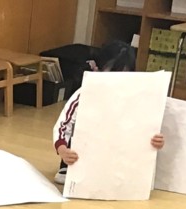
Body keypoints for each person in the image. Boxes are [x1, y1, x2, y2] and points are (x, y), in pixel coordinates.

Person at [53, 41, 164, 185]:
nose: (116, 79)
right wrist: (63, 150)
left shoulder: (137, 97)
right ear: (97, 69)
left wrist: (155, 139)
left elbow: (145, 126)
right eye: (111, 73)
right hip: (87, 149)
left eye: (123, 74)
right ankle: (68, 166)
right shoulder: (85, 93)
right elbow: (63, 124)